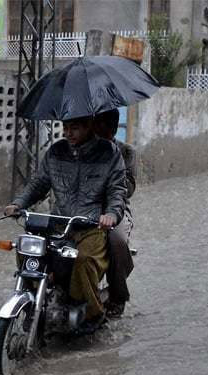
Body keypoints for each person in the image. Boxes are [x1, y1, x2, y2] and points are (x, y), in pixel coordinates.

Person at [4, 116, 127, 333]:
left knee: (84, 260)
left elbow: (117, 190)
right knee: (28, 250)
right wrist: (18, 203)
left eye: (75, 128)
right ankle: (34, 302)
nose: (68, 133)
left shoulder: (109, 153)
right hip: (58, 224)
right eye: (66, 128)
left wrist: (111, 214)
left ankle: (91, 313)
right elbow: (39, 183)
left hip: (91, 226)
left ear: (89, 127)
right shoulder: (56, 151)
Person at [93, 109, 136, 318]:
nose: (100, 132)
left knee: (116, 241)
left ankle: (118, 295)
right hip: (84, 209)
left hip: (116, 211)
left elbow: (127, 188)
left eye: (104, 127)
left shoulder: (126, 152)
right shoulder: (83, 150)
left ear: (112, 128)